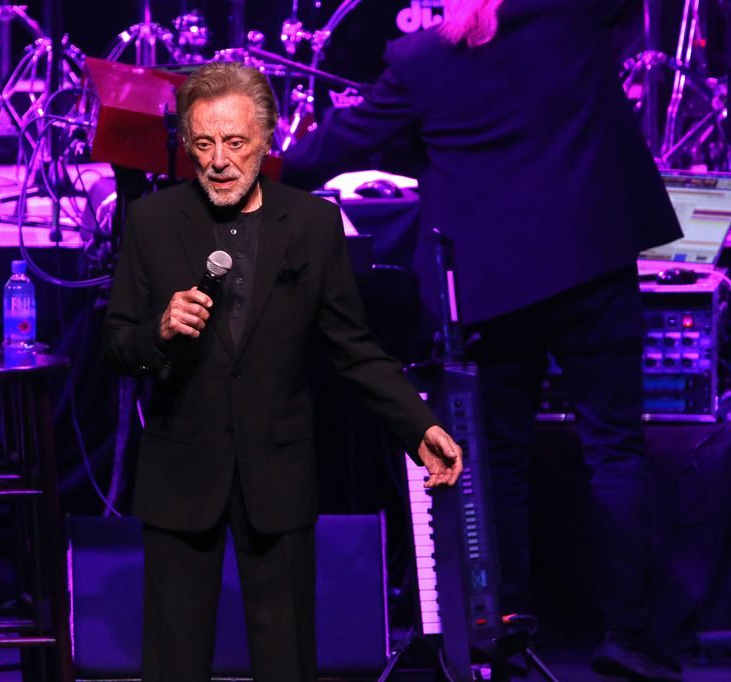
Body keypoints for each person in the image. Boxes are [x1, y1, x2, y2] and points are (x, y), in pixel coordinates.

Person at [281, 0, 684, 679]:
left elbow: (328, 153)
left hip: (494, 286)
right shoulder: (575, 22)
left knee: (498, 461)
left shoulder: (422, 59)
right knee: (616, 453)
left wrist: (232, 156)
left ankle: (506, 632)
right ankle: (631, 639)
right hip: (593, 263)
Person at [102, 61, 464, 681]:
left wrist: (418, 427)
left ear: (266, 141)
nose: (219, 160)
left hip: (278, 474)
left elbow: (356, 348)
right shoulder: (153, 222)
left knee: (286, 661)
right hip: (182, 474)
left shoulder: (314, 224)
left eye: (235, 143)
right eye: (205, 144)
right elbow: (114, 348)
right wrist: (157, 332)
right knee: (173, 660)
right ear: (187, 145)